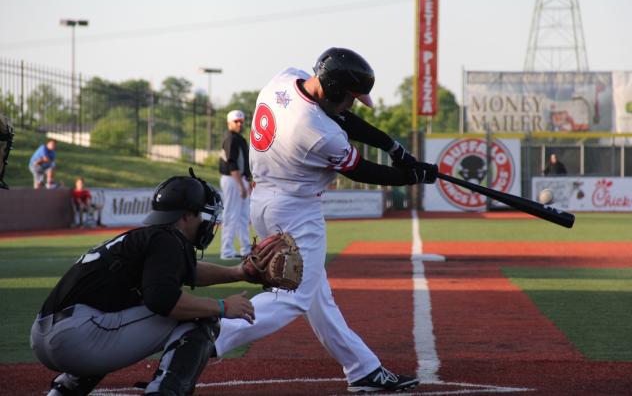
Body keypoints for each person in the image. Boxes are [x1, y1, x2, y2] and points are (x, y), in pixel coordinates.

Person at [214, 47, 438, 393]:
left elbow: (342, 118)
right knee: (294, 297)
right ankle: (210, 335)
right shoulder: (318, 131)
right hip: (296, 211)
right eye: (350, 97)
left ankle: (363, 368)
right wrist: (413, 176)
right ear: (334, 91)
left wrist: (393, 147)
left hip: (266, 201)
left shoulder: (284, 79)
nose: (351, 104)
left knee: (319, 297)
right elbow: (362, 168)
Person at [31, 170, 256, 396]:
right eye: (203, 216)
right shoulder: (168, 241)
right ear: (187, 215)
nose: (206, 223)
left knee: (126, 306)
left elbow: (188, 273)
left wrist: (239, 273)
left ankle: (64, 390)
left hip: (50, 335)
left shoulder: (150, 237)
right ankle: (163, 391)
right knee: (201, 316)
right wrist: (223, 307)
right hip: (78, 338)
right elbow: (163, 300)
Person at [219, 110, 252, 260]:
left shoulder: (238, 138)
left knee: (243, 216)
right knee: (231, 215)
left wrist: (247, 181)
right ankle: (226, 251)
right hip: (232, 179)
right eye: (236, 121)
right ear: (229, 123)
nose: (239, 124)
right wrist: (240, 185)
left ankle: (246, 249)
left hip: (240, 179)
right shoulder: (231, 138)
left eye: (241, 121)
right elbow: (231, 163)